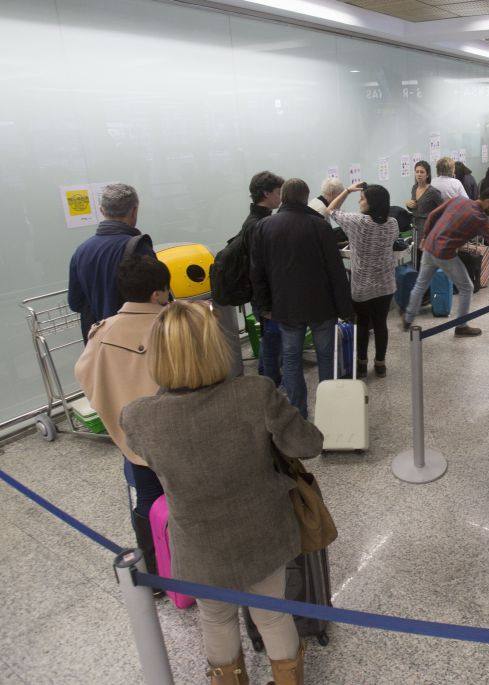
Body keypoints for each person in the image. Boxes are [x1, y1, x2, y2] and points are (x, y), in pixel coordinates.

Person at [120, 300, 321, 684]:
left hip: (199, 542)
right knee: (273, 613)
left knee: (215, 617)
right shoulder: (255, 393)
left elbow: (149, 459)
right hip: (264, 531)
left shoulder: (138, 416)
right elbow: (307, 444)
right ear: (216, 346)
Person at [74, 255, 170, 584]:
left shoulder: (102, 331)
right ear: (158, 294)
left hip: (131, 441)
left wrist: (115, 412)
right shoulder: (173, 324)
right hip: (175, 436)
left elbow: (84, 374)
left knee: (145, 502)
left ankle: (156, 574)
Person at [251, 178, 353, 417]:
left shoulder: (265, 227)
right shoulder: (319, 226)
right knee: (326, 357)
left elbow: (257, 272)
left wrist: (264, 306)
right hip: (322, 306)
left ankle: (299, 412)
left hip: (285, 308)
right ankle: (330, 412)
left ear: (284, 197)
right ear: (306, 198)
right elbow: (335, 271)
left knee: (291, 360)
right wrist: (345, 308)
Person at [403, 189, 489, 336]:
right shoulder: (480, 219)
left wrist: (425, 236)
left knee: (421, 284)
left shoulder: (459, 199)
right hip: (445, 254)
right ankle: (461, 326)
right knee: (467, 287)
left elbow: (432, 215)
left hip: (429, 247)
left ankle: (408, 319)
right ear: (487, 202)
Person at [327, 182, 399, 378]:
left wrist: (348, 190)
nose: (360, 200)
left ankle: (361, 364)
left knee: (363, 325)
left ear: (372, 202)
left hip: (362, 286)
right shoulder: (393, 223)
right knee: (381, 323)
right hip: (385, 285)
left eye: (363, 198)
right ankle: (380, 364)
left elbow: (331, 209)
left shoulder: (357, 222)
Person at [68, 183, 155, 341]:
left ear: (102, 211)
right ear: (134, 210)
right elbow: (156, 296)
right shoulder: (138, 247)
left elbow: (75, 302)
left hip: (98, 342)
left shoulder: (81, 251)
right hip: (135, 341)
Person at [244, 170, 286, 386]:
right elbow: (259, 270)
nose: (281, 196)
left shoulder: (260, 220)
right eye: (278, 192)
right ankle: (271, 386)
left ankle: (265, 376)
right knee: (272, 340)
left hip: (266, 293)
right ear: (266, 194)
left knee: (270, 339)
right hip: (266, 295)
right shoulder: (257, 225)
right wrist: (266, 305)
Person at [407, 160, 444, 267]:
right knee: (416, 256)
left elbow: (443, 209)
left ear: (427, 174)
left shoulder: (433, 192)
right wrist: (408, 205)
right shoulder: (414, 188)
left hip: (428, 228)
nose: (419, 174)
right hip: (415, 227)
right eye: (417, 171)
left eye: (422, 172)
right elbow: (414, 208)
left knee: (426, 258)